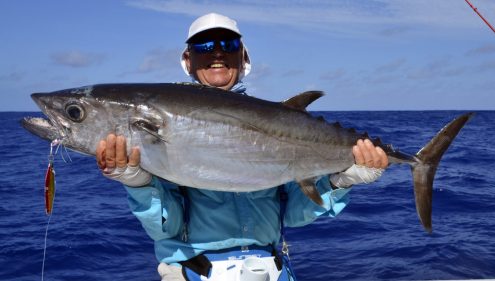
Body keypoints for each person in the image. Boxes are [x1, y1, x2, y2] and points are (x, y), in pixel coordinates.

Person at [96, 13, 389, 281]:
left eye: (229, 43)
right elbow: (166, 228)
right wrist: (138, 182)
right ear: (188, 59)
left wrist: (341, 180)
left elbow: (294, 216)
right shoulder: (162, 119)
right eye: (203, 46)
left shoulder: (278, 120)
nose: (217, 52)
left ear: (243, 57)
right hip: (194, 274)